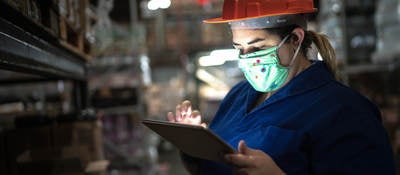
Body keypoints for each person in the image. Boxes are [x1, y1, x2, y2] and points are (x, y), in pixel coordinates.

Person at [167, 0, 396, 174]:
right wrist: (193, 144)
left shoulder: (345, 111)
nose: (247, 58)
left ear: (295, 39)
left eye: (257, 48)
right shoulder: (239, 96)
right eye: (240, 48)